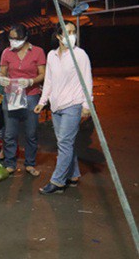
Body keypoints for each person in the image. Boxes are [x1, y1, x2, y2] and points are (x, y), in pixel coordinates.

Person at [34, 21, 93, 194]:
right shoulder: (51, 55)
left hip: (72, 105)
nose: (72, 35)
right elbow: (49, 80)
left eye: (73, 32)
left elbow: (87, 80)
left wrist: (86, 105)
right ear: (59, 36)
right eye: (67, 32)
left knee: (64, 143)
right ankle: (73, 175)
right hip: (56, 106)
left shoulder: (80, 55)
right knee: (65, 143)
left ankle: (58, 181)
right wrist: (42, 102)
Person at [0, 24, 46, 175]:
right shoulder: (6, 52)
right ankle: (10, 163)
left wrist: (32, 81)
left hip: (31, 94)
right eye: (11, 38)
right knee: (10, 132)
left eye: (17, 38)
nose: (13, 41)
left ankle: (30, 163)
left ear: (25, 38)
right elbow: (2, 72)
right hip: (11, 95)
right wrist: (1, 79)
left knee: (31, 132)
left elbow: (43, 73)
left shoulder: (37, 52)